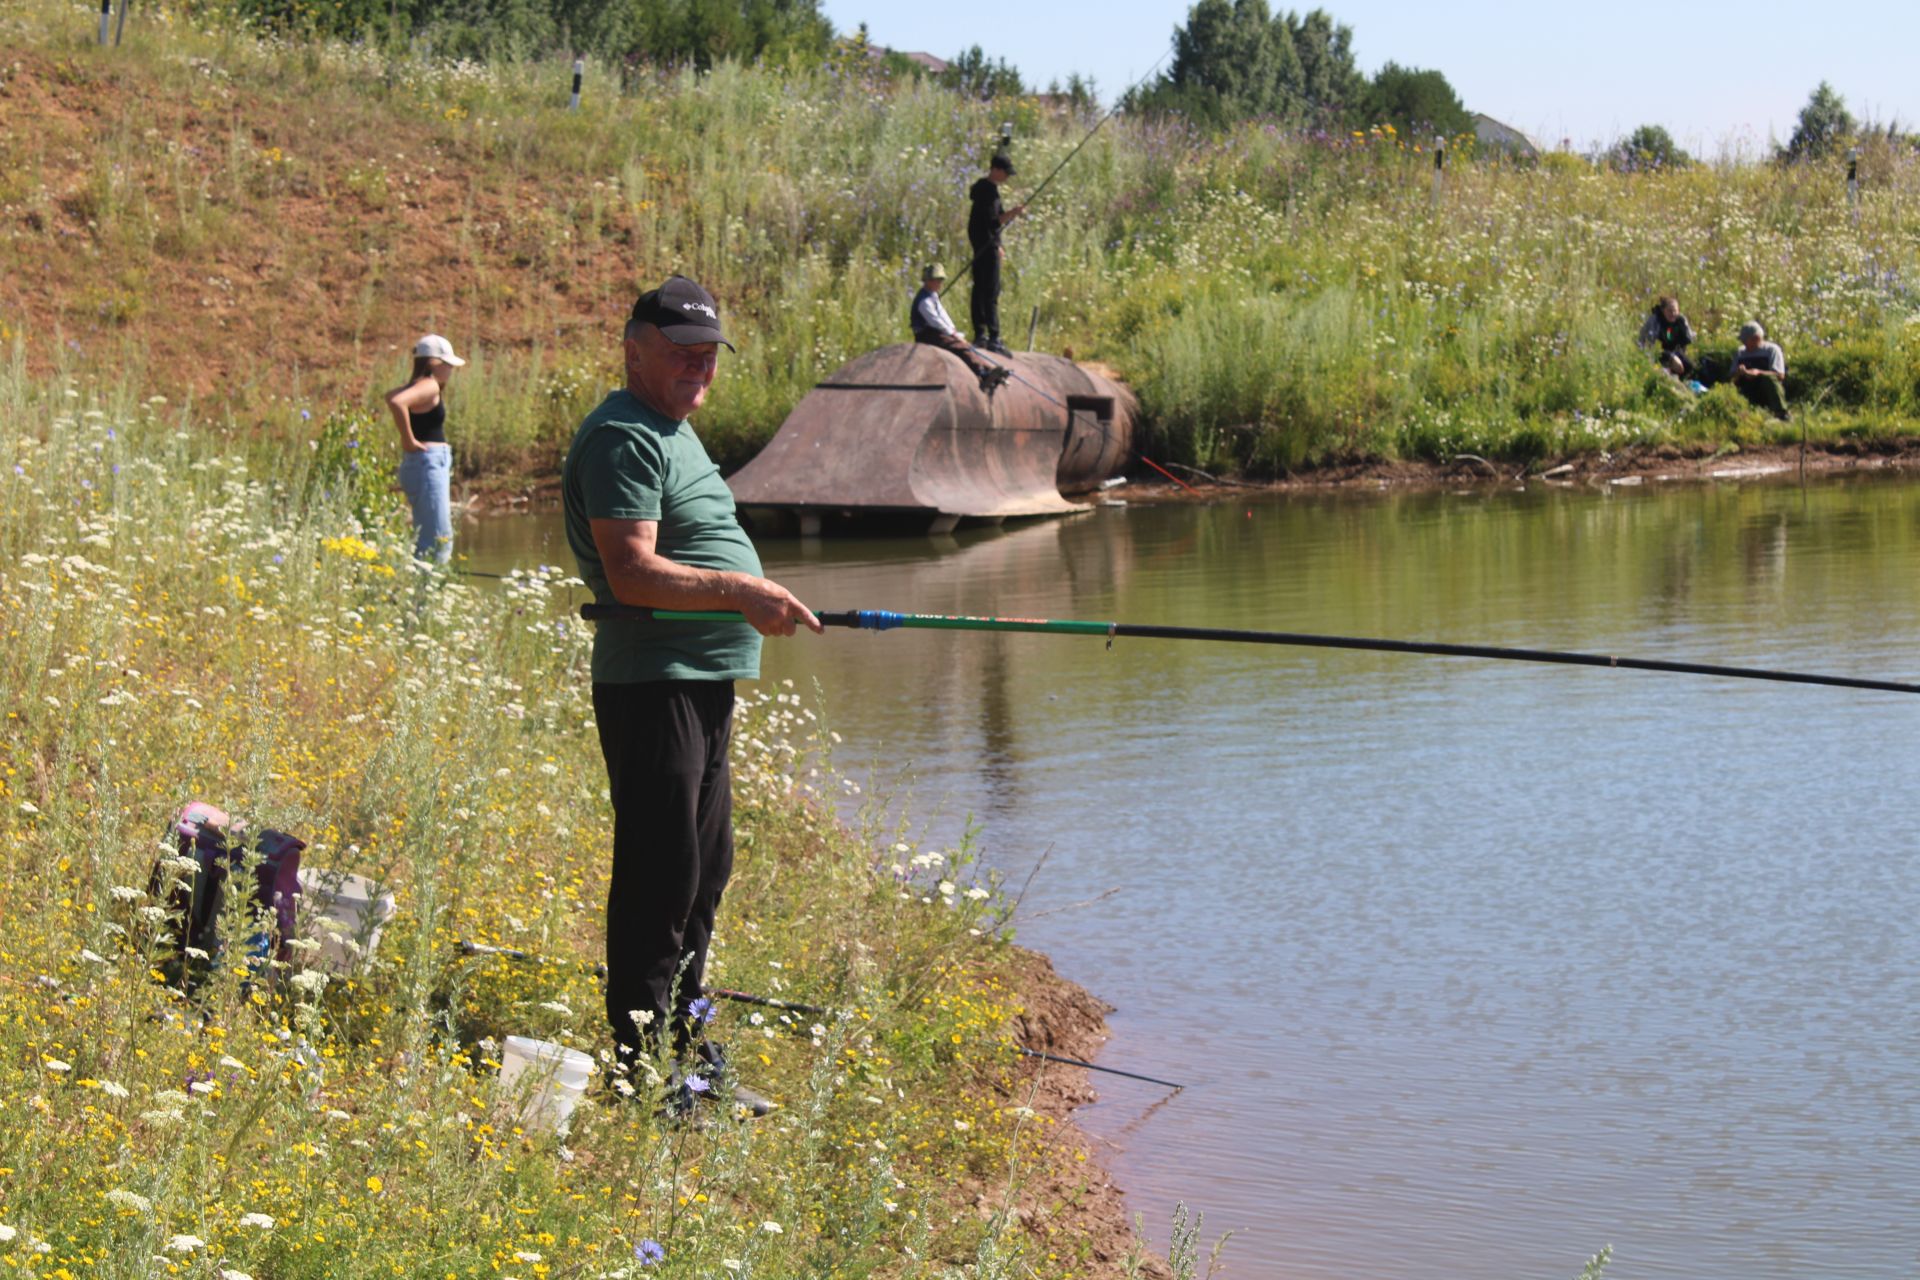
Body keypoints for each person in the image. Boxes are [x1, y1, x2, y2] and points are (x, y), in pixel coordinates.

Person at [562, 275, 822, 1118]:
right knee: (659, 879)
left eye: (708, 355)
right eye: (680, 353)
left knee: (706, 870)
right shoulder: (623, 438)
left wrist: (742, 595)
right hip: (653, 683)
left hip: (699, 682)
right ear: (633, 349)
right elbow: (630, 570)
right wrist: (740, 592)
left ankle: (685, 1054)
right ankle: (645, 1074)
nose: (697, 368)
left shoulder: (673, 432)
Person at [385, 334, 465, 562]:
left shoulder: (419, 385)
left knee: (429, 537)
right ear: (433, 363)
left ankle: (422, 592)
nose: (451, 370)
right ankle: (426, 596)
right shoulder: (429, 385)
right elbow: (396, 402)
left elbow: (391, 395)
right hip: (428, 462)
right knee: (439, 541)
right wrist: (408, 440)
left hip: (423, 463)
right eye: (447, 365)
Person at [910, 263, 1010, 391]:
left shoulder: (932, 295)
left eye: (941, 280)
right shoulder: (923, 301)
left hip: (936, 331)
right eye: (937, 280)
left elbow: (943, 315)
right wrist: (952, 334)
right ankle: (982, 372)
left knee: (965, 345)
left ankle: (989, 369)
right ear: (928, 281)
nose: (940, 283)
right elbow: (935, 321)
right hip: (926, 334)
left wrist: (953, 330)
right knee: (957, 346)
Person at [967, 153, 1025, 355]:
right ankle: (993, 337)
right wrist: (1013, 213)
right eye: (1006, 173)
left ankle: (980, 334)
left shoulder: (981, 189)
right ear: (996, 170)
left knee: (980, 289)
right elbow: (994, 222)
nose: (1007, 177)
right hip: (986, 248)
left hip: (982, 247)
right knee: (990, 292)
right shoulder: (989, 192)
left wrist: (997, 244)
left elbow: (982, 224)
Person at [1730, 320, 1790, 420]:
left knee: (1769, 378)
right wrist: (1739, 373)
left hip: (1765, 389)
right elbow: (1730, 378)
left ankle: (1781, 412)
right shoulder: (1740, 352)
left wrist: (1758, 373)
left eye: (1746, 340)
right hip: (1747, 388)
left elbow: (1780, 375)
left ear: (1756, 338)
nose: (1743, 343)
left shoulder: (1771, 350)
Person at [1637, 295, 1695, 377]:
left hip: (1674, 351)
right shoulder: (1655, 321)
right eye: (1669, 311)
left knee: (1690, 367)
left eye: (1675, 311)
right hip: (1658, 352)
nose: (1673, 314)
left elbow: (1686, 341)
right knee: (1678, 365)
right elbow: (1647, 344)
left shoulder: (1680, 321)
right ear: (1663, 310)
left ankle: (1679, 383)